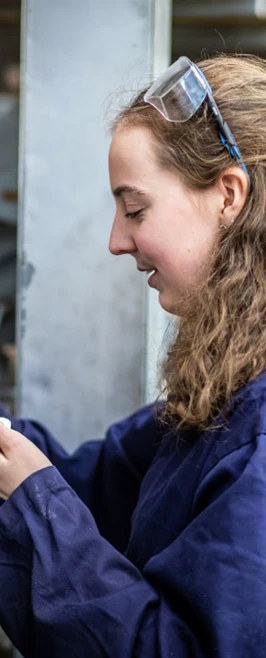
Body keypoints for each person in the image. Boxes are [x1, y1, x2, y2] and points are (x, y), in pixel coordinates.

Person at [0, 52, 265, 657]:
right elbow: (97, 484)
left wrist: (35, 508)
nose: (118, 241)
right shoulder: (226, 390)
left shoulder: (258, 438)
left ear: (228, 195)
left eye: (135, 208)